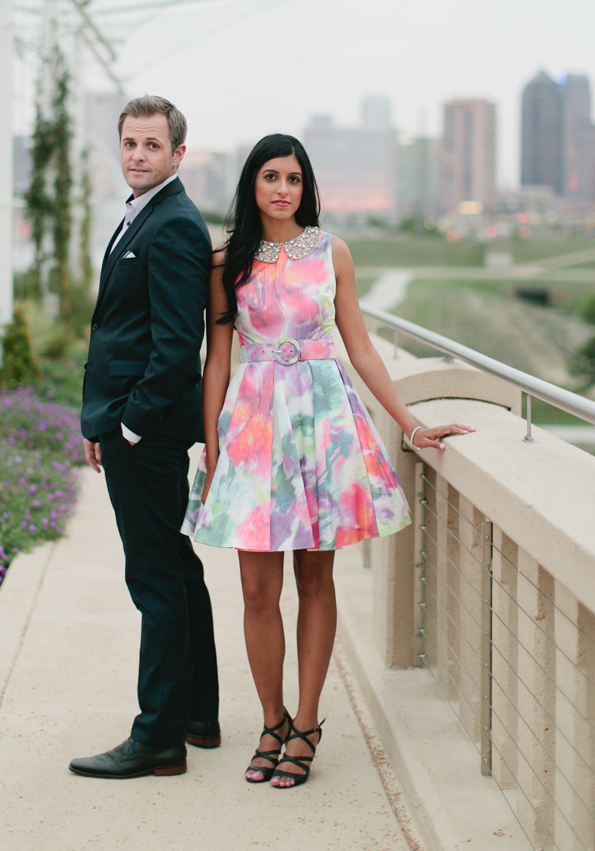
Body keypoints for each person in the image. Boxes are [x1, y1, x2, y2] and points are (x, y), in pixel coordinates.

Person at [183, 133, 474, 789]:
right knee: (258, 589)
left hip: (324, 424)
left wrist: (411, 423)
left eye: (293, 178)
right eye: (270, 177)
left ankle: (307, 723)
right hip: (255, 426)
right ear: (251, 186)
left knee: (315, 581)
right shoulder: (225, 260)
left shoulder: (331, 252)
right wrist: (212, 443)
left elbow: (362, 347)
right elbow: (218, 360)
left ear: (306, 187)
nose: (283, 189)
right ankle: (271, 719)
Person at [70, 95, 219, 781]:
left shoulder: (176, 224)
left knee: (154, 578)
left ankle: (157, 738)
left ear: (177, 154)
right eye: (129, 143)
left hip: (149, 433)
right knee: (176, 568)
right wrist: (97, 417)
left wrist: (126, 425)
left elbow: (174, 343)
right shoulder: (142, 213)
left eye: (151, 145)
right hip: (132, 424)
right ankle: (196, 712)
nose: (137, 154)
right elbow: (117, 333)